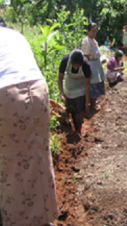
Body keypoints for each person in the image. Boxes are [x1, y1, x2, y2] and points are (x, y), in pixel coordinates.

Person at [0, 24, 58, 226]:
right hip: (37, 90)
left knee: (9, 167)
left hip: (5, 95)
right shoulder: (15, 36)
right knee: (37, 158)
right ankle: (43, 219)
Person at [58, 49, 91, 135]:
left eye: (78, 66)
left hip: (81, 87)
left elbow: (87, 84)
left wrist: (87, 101)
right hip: (69, 86)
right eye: (74, 66)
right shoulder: (65, 60)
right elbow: (60, 78)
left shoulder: (86, 64)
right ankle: (74, 129)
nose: (76, 68)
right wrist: (62, 92)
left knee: (79, 110)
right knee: (72, 109)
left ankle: (78, 130)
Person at [82, 22, 106, 113]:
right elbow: (86, 57)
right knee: (92, 86)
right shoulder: (86, 41)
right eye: (92, 31)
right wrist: (88, 70)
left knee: (97, 85)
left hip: (97, 65)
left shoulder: (94, 41)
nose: (94, 33)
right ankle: (91, 105)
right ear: (88, 31)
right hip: (91, 65)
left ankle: (94, 103)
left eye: (95, 31)